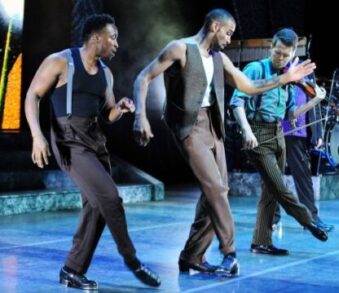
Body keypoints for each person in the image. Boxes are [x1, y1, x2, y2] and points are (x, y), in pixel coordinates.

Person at [132, 9, 316, 274]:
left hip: (213, 126)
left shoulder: (220, 59)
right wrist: (140, 116)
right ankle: (230, 253)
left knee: (218, 192)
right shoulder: (180, 48)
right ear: (215, 26)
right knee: (215, 189)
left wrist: (284, 79)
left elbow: (249, 87)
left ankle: (192, 256)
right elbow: (143, 77)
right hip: (187, 127)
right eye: (228, 33)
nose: (230, 39)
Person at [24, 14, 161, 290]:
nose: (116, 43)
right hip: (68, 140)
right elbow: (32, 96)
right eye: (113, 37)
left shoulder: (106, 74)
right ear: (96, 38)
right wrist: (38, 136)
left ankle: (72, 270)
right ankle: (132, 260)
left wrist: (120, 108)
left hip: (95, 141)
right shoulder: (60, 61)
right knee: (110, 197)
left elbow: (107, 114)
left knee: (97, 206)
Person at [230, 28, 328, 257]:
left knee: (270, 192)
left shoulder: (289, 77)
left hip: (278, 134)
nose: (280, 58)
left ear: (293, 54)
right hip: (257, 134)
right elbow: (237, 102)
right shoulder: (256, 69)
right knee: (281, 188)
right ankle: (310, 222)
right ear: (271, 47)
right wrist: (246, 131)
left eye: (285, 55)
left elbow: (290, 116)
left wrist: (315, 101)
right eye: (277, 52)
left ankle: (261, 242)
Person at [272, 77, 334, 233]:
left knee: (304, 177)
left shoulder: (307, 71)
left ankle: (310, 219)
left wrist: (318, 132)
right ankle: (272, 218)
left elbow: (315, 102)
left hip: (299, 132)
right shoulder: (279, 69)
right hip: (277, 129)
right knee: (272, 176)